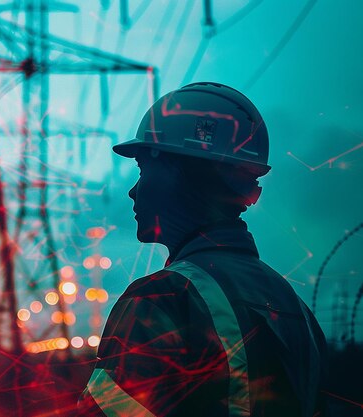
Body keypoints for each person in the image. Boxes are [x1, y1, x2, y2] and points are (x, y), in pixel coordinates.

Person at [77, 82, 329, 416]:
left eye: (143, 169)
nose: (133, 192)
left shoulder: (165, 298)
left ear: (183, 176)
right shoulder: (296, 309)